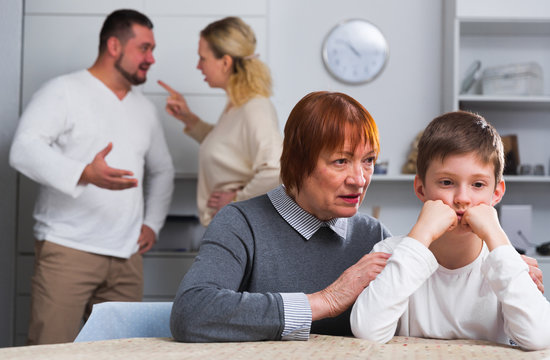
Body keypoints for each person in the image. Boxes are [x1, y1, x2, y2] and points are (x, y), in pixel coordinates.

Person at [170, 91, 392, 342]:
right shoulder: (240, 224)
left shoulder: (375, 237)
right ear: (296, 163)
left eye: (368, 160)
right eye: (341, 161)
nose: (360, 180)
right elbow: (191, 313)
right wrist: (325, 301)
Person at [9, 9, 174, 344]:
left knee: (123, 352)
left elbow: (163, 169)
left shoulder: (145, 108)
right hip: (68, 251)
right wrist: (84, 172)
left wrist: (152, 224)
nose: (151, 58)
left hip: (126, 257)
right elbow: (23, 148)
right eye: (144, 48)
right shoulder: (64, 91)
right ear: (114, 45)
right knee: (50, 352)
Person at [350, 111, 550, 350]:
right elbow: (367, 330)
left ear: (496, 193)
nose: (462, 198)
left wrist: (497, 236)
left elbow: (540, 338)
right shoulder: (393, 253)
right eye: (447, 182)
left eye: (478, 185)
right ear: (421, 189)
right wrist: (421, 234)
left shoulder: (506, 263)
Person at [158, 16, 282, 226]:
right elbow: (227, 148)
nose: (198, 66)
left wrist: (236, 200)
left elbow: (275, 169)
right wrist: (189, 119)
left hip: (240, 227)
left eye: (203, 58)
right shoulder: (237, 106)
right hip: (229, 226)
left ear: (225, 62)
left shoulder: (255, 108)